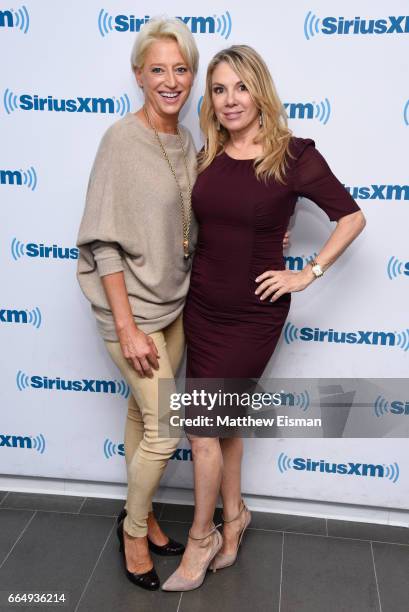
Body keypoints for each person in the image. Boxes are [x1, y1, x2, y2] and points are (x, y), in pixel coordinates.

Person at [161, 45, 366, 591]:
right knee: (224, 426)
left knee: (203, 430)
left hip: (253, 315)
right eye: (220, 89)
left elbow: (351, 216)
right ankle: (236, 519)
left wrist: (306, 273)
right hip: (201, 306)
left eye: (240, 87)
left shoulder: (294, 155)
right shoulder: (205, 154)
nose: (230, 100)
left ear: (260, 91)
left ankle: (199, 541)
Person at [76, 18, 200, 591]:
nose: (171, 81)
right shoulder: (121, 140)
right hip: (131, 314)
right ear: (138, 75)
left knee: (140, 415)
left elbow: (189, 219)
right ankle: (131, 531)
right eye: (158, 70)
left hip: (171, 306)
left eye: (181, 69)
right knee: (166, 428)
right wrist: (127, 328)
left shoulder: (186, 141)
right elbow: (103, 242)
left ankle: (146, 513)